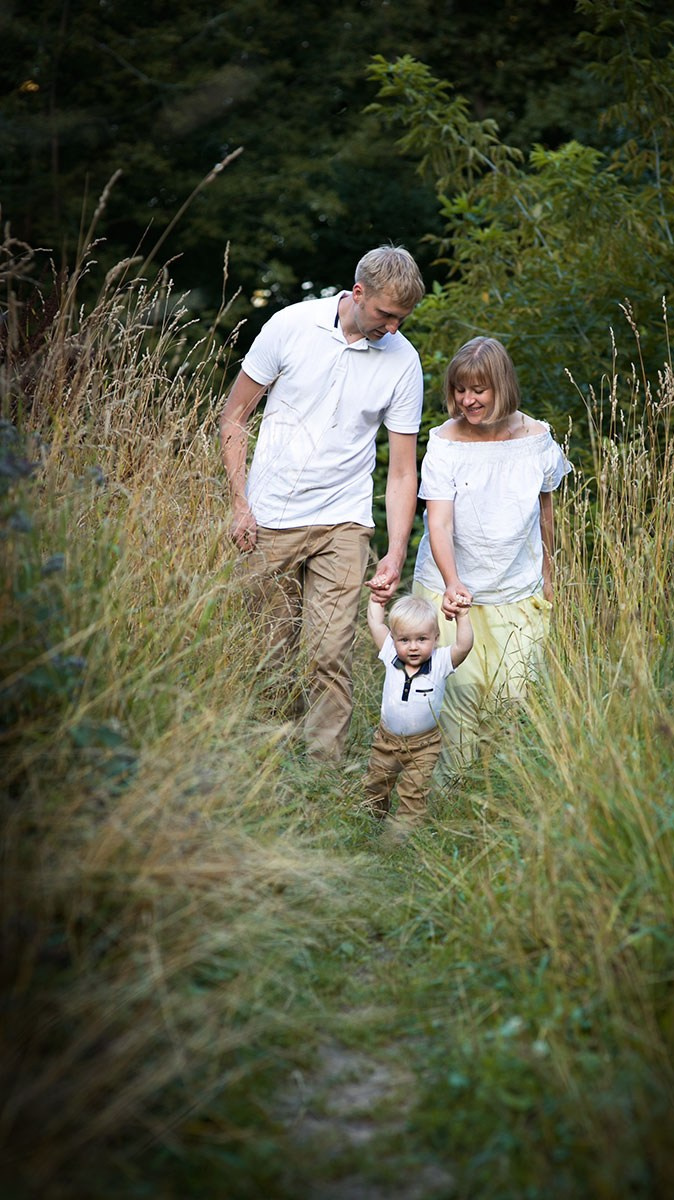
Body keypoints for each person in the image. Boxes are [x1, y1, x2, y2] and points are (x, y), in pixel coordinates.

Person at [219, 245, 426, 761]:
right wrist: (241, 504)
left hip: (343, 520)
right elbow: (234, 418)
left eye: (402, 319)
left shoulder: (403, 360)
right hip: (271, 517)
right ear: (357, 293)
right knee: (268, 649)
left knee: (329, 652)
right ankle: (267, 759)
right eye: (386, 315)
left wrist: (395, 551)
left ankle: (322, 771)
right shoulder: (290, 326)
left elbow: (403, 470)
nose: (393, 328)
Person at [412, 336, 572, 771]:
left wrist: (551, 575)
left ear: (501, 386)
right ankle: (452, 789)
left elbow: (546, 514)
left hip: (517, 589)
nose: (467, 400)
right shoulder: (445, 443)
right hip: (452, 593)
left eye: (478, 390)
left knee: (514, 695)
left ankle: (498, 790)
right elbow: (439, 524)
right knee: (458, 696)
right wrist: (452, 583)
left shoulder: (537, 439)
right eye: (460, 389)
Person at [362, 593, 473, 837]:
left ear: (436, 637)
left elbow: (464, 646)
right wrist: (376, 599)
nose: (413, 647)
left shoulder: (440, 662)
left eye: (422, 639)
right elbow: (376, 624)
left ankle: (400, 836)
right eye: (404, 640)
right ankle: (370, 825)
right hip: (386, 741)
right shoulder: (391, 654)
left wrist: (463, 616)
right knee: (376, 785)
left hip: (424, 745)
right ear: (394, 639)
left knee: (414, 791)